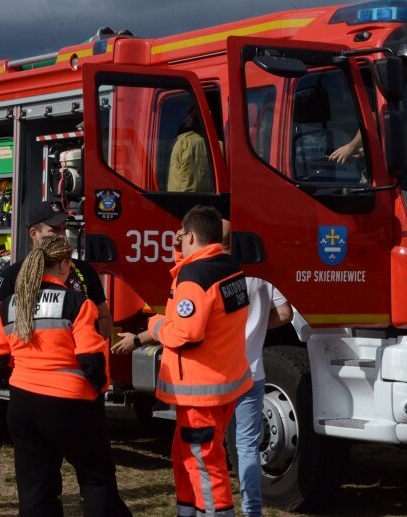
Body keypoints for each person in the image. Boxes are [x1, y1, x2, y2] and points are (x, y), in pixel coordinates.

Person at [0, 235, 131, 517]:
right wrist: (97, 391)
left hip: (23, 404)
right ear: (64, 265)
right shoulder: (77, 303)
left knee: (35, 489)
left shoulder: (9, 306)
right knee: (96, 478)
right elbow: (92, 359)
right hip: (71, 402)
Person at [149, 205, 252, 517]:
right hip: (222, 383)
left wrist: (155, 325)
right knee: (186, 455)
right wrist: (182, 256)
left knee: (204, 463)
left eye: (181, 235)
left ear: (190, 235)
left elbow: (187, 332)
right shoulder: (227, 265)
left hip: (200, 391)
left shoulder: (195, 277)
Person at [222, 220, 292, 517]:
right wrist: (260, 326)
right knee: (248, 446)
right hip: (252, 372)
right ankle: (252, 509)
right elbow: (286, 313)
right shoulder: (262, 277)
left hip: (218, 373)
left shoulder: (213, 277)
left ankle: (215, 507)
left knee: (211, 446)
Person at [0, 201, 111, 340]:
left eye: (63, 229)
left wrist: (86, 341)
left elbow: (105, 318)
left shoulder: (84, 270)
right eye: (54, 230)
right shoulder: (11, 276)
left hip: (78, 359)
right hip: (27, 360)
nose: (62, 236)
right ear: (34, 234)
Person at [168, 107, 212, 192]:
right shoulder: (219, 146)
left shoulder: (181, 143)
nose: (186, 119)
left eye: (188, 117)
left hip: (180, 200)